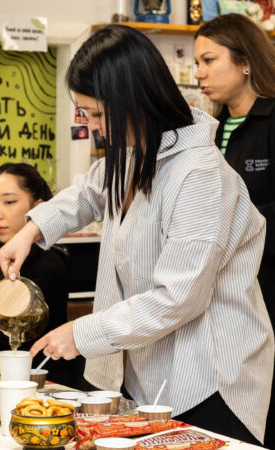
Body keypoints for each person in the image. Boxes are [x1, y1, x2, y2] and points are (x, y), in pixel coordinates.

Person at [0, 25, 274, 446]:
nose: (93, 128)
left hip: (209, 381)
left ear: (135, 100)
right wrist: (30, 230)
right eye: (86, 114)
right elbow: (88, 191)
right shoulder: (135, 151)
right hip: (149, 373)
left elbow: (178, 297)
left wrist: (81, 333)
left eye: (99, 115)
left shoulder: (200, 174)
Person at [194, 14, 275, 448]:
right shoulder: (204, 133)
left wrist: (233, 225)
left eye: (209, 59)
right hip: (219, 291)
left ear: (245, 61)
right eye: (196, 62)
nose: (199, 73)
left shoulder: (271, 120)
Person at [0, 163, 76, 385]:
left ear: (39, 209)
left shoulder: (49, 264)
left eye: (9, 202)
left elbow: (1, 334)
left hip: (45, 384)